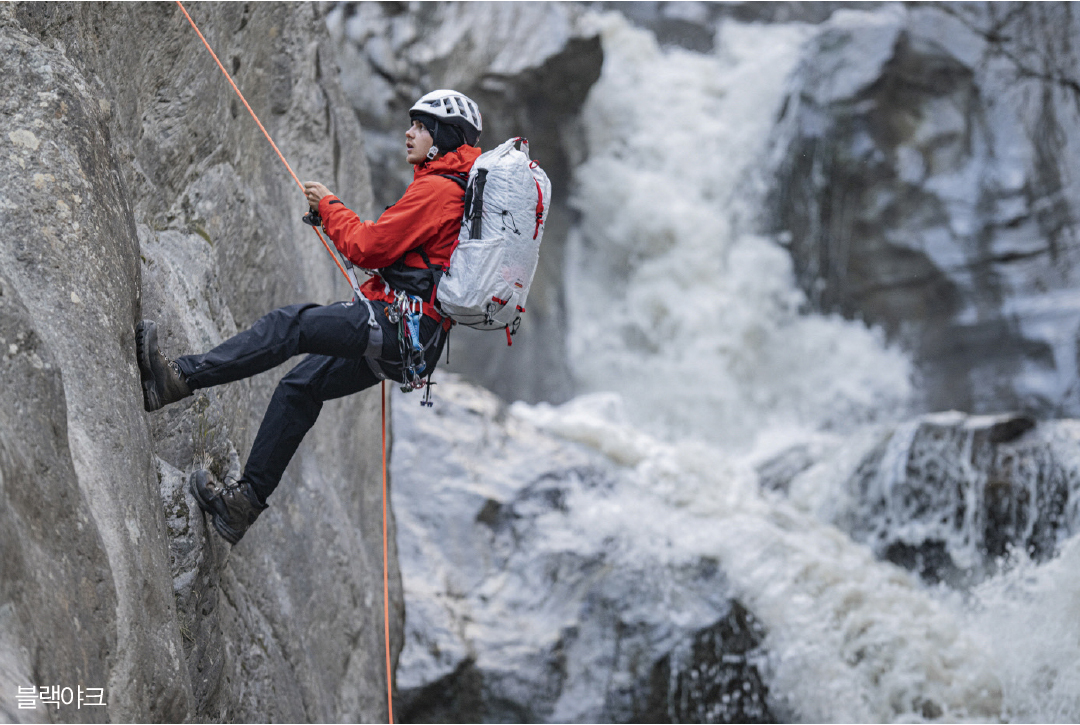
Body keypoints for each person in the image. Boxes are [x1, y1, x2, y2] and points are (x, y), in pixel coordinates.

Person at [135, 89, 483, 544]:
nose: (409, 132)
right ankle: (240, 507)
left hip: (399, 327)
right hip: (415, 342)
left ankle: (176, 379)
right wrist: (335, 218)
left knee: (291, 325)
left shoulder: (437, 190)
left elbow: (368, 247)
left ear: (442, 136)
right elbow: (391, 253)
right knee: (301, 388)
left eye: (420, 125)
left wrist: (331, 207)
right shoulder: (449, 189)